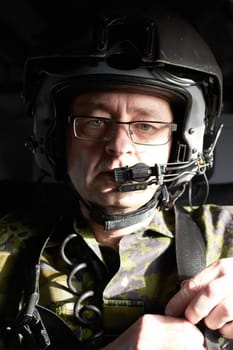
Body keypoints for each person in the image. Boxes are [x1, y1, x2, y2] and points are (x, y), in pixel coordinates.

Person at [1, 6, 233, 350]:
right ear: (57, 140)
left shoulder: (226, 236)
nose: (119, 148)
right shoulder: (6, 248)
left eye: (146, 125)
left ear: (182, 143)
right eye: (94, 122)